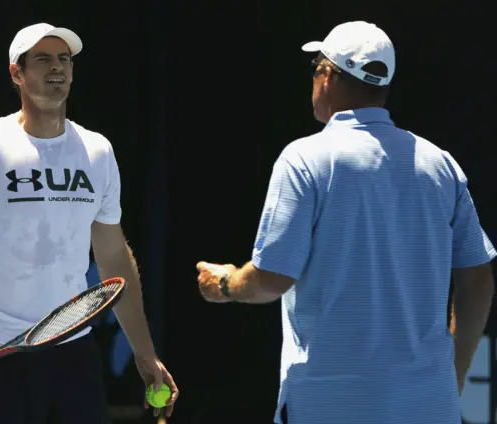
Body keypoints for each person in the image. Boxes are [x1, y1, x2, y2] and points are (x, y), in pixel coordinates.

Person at [195, 20, 495, 424]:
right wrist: (452, 374)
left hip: (327, 408)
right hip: (428, 407)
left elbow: (271, 280)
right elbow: (479, 280)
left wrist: (226, 284)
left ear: (328, 76)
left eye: (316, 67)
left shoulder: (304, 159)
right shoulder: (440, 165)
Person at [0, 22, 178, 424]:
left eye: (64, 59)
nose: (57, 67)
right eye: (43, 59)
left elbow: (112, 257)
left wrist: (145, 354)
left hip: (74, 356)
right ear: (16, 74)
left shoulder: (97, 151)